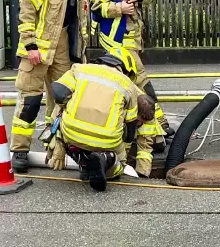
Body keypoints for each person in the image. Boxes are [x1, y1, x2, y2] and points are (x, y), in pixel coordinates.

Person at [9, 0, 96, 174]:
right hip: (37, 49)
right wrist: (30, 45)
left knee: (62, 99)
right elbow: (26, 13)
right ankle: (19, 150)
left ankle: (54, 143)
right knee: (30, 102)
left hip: (63, 49)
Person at [90, 0, 173, 144]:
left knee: (131, 83)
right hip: (116, 39)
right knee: (141, 81)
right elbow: (95, 6)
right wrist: (119, 8)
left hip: (134, 38)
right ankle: (158, 125)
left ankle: (146, 125)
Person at [44, 52, 156, 192]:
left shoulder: (80, 69)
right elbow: (130, 130)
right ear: (127, 70)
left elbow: (59, 94)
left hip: (71, 132)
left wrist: (58, 138)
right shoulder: (129, 87)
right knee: (117, 166)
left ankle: (85, 163)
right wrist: (124, 158)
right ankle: (106, 159)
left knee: (66, 114)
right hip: (107, 140)